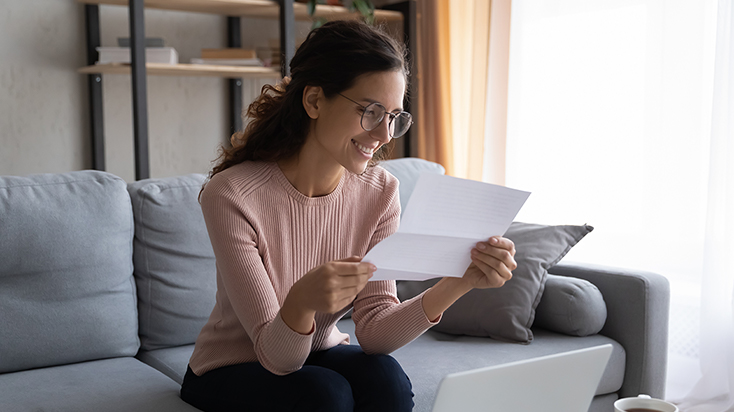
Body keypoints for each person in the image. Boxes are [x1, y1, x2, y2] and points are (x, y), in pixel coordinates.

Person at [180, 20, 517, 412]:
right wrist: (301, 302)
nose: (386, 134)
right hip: (234, 365)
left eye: (394, 116)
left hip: (314, 351)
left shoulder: (380, 191)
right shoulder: (233, 194)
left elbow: (374, 331)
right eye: (371, 111)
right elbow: (276, 357)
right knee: (325, 395)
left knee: (385, 378)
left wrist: (459, 282)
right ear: (314, 101)